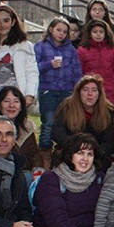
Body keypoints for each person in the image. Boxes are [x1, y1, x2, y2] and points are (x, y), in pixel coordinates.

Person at [35, 17, 82, 167]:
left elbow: (76, 70)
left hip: (67, 91)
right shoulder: (41, 46)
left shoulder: (70, 49)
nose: (61, 34)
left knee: (67, 122)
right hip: (47, 90)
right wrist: (49, 64)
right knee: (48, 123)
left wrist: (77, 88)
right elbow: (33, 67)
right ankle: (45, 156)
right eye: (58, 30)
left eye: (65, 32)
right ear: (51, 29)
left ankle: (65, 154)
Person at [52, 75, 114, 166]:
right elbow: (57, 132)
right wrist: (76, 148)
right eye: (85, 90)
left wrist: (93, 153)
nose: (90, 94)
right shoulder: (66, 107)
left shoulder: (108, 111)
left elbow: (109, 141)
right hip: (70, 152)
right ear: (78, 92)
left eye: (94, 90)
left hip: (97, 156)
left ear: (99, 94)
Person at [76, 20, 114, 106]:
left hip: (111, 95)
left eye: (101, 32)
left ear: (106, 34)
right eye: (95, 32)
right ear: (90, 34)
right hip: (89, 96)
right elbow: (78, 74)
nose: (98, 34)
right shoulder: (81, 51)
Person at [0, 86, 43, 173]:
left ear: (21, 107)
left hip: (25, 174)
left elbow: (35, 156)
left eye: (16, 101)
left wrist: (37, 172)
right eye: (6, 101)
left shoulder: (27, 127)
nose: (11, 105)